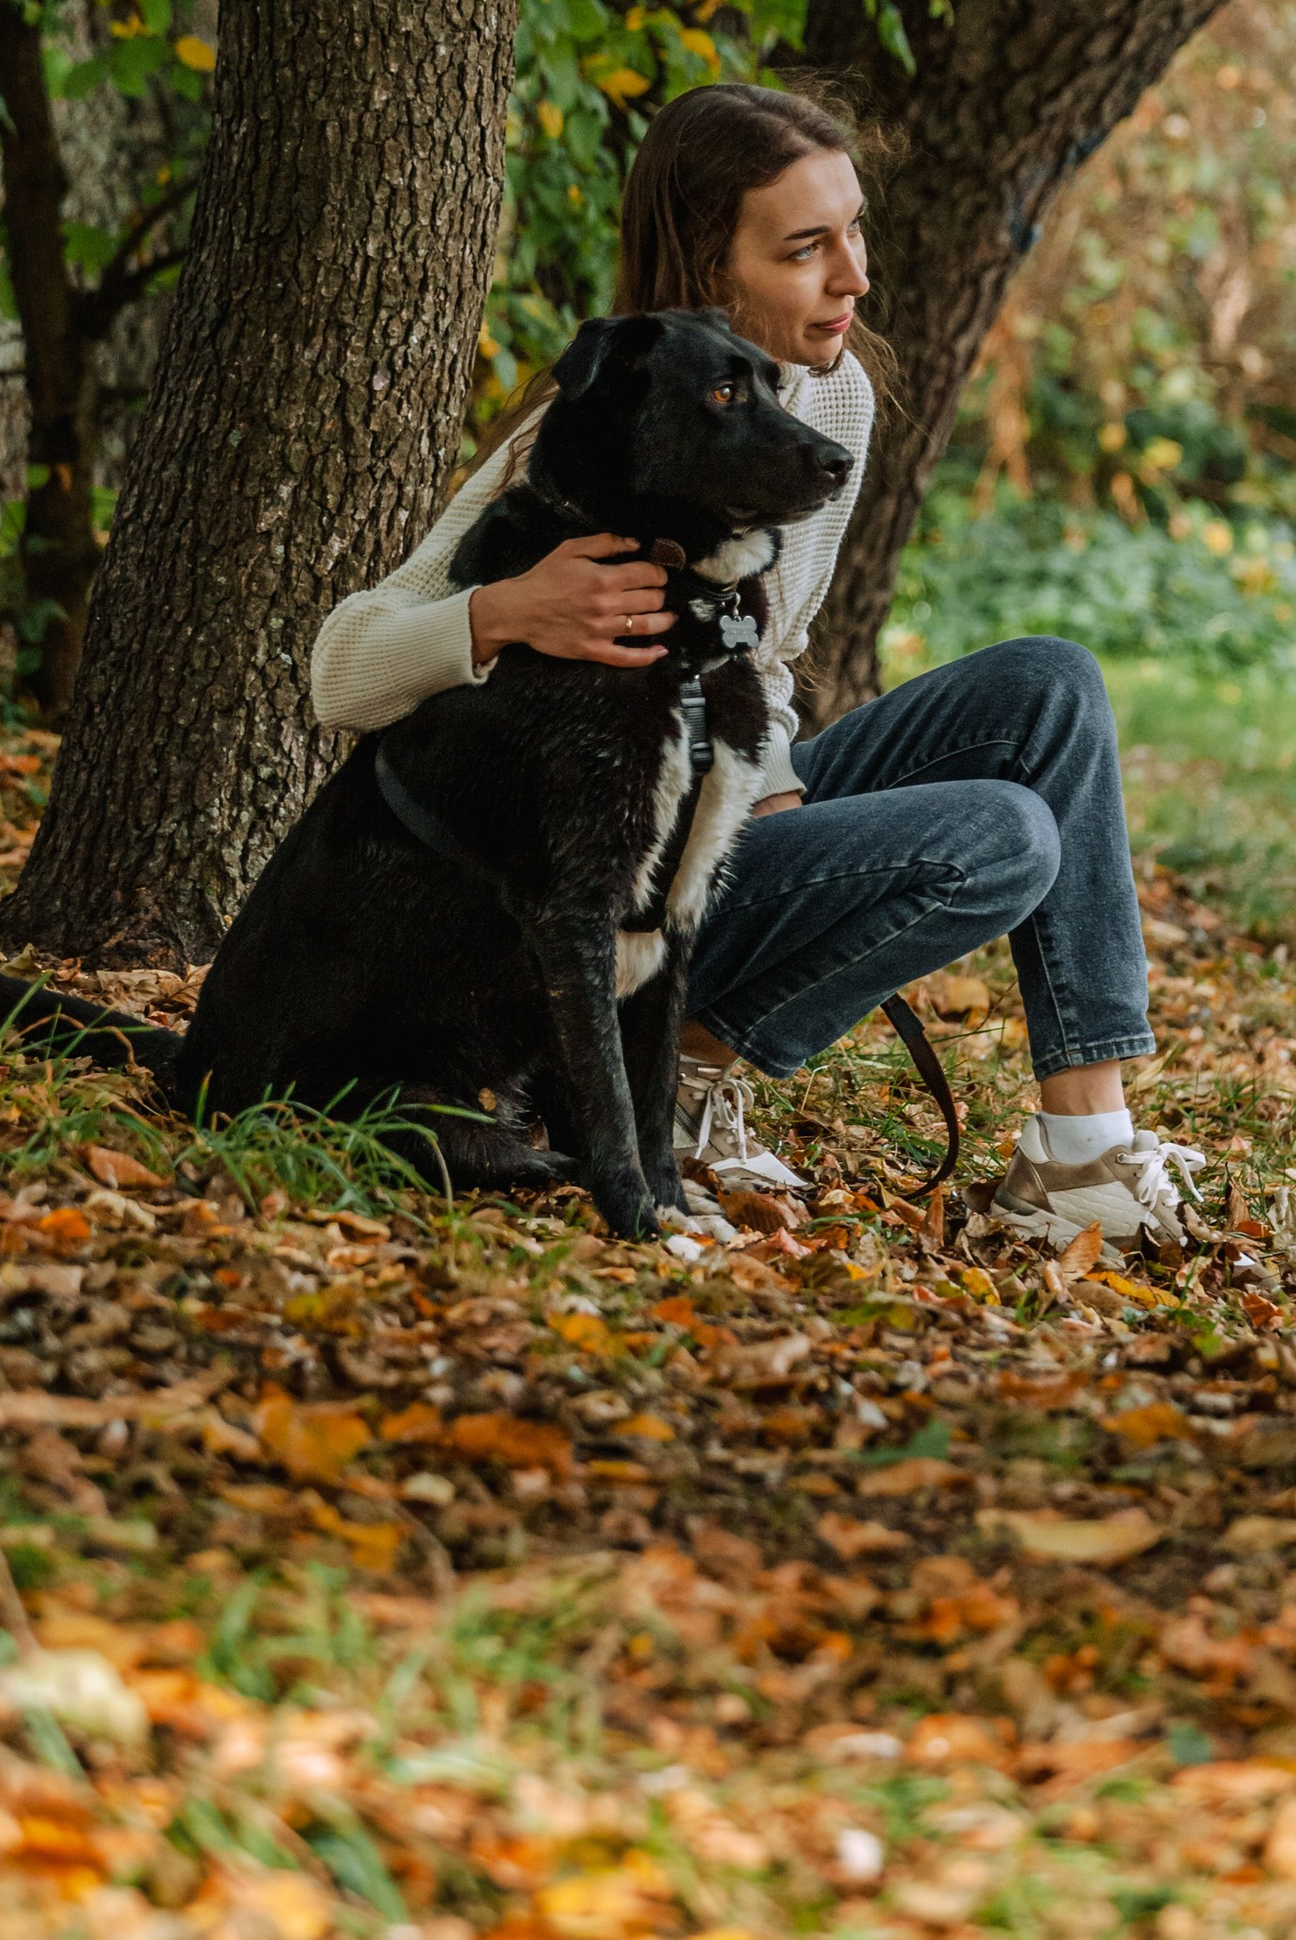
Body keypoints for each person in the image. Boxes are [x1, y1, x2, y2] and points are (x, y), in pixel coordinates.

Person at [309, 82, 1204, 1250]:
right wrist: (505, 609)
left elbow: (765, 656)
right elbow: (339, 673)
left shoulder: (834, 394)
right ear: (711, 268)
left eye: (854, 229)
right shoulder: (593, 436)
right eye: (805, 248)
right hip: (597, 894)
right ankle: (673, 1084)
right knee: (999, 837)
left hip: (711, 814)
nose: (855, 275)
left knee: (1048, 684)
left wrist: (771, 768)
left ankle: (1083, 1152)